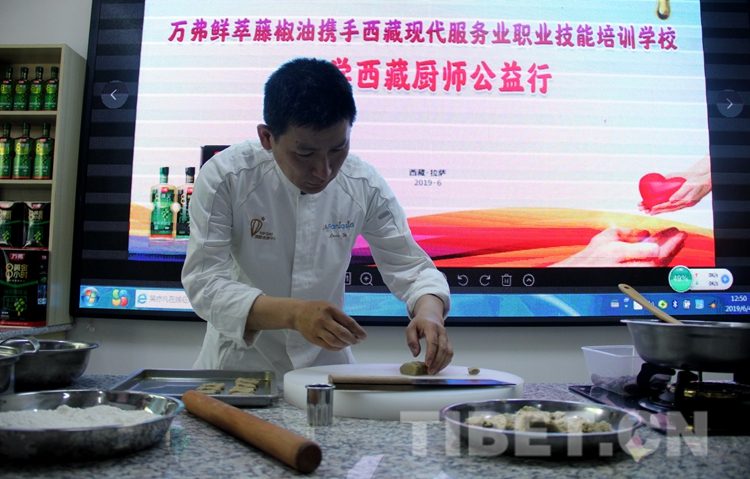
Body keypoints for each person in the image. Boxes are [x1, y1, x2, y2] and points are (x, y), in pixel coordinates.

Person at [181, 58, 452, 378]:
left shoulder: (362, 184)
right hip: (240, 365)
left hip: (327, 368)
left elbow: (412, 268)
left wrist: (430, 312)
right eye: (305, 154)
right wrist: (294, 314)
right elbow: (204, 283)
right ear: (267, 138)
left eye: (338, 149)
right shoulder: (227, 177)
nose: (324, 171)